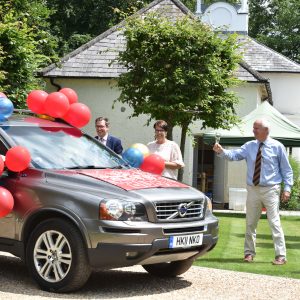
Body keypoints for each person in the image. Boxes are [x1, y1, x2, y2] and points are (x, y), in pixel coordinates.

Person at [213, 119, 293, 265]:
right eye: (253, 128)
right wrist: (222, 151)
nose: (253, 131)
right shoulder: (249, 146)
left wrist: (287, 188)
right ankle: (249, 253)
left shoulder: (277, 146)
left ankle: (281, 256)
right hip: (253, 189)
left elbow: (287, 170)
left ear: (266, 131)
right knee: (250, 223)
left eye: (257, 128)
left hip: (271, 189)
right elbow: (234, 155)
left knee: (274, 222)